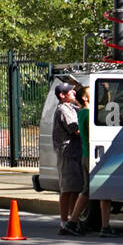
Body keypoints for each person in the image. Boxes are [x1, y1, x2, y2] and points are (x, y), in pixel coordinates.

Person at [79, 85, 117, 237]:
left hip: (85, 155)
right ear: (85, 98)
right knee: (103, 192)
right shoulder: (88, 114)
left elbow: (105, 105)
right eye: (90, 91)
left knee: (87, 191)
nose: (95, 92)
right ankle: (105, 227)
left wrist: (107, 91)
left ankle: (72, 222)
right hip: (93, 155)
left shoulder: (82, 112)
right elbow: (94, 134)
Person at [51, 82, 84, 235]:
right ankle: (64, 223)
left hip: (75, 153)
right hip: (67, 154)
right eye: (70, 91)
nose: (73, 92)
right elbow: (76, 130)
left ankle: (73, 221)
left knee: (75, 189)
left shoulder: (72, 107)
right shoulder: (63, 110)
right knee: (67, 189)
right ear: (62, 96)